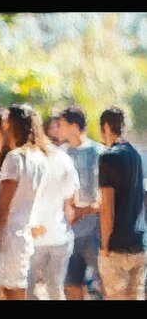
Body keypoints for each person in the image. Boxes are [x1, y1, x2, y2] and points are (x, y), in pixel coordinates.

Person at [0, 104, 49, 300]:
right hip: (24, 234)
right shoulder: (40, 157)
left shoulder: (15, 158)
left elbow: (3, 205)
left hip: (10, 235)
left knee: (9, 293)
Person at [97, 107, 145, 300]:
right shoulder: (136, 156)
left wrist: (105, 244)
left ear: (106, 127)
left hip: (117, 246)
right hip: (138, 243)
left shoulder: (108, 157)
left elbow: (107, 205)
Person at [58, 106, 106, 300]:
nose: (58, 130)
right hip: (68, 234)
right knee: (70, 284)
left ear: (74, 127)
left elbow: (106, 196)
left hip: (95, 232)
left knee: (104, 284)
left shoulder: (99, 152)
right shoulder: (60, 154)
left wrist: (83, 211)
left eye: (62, 125)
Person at [26, 143, 79, 300]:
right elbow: (72, 201)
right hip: (60, 235)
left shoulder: (28, 158)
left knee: (25, 289)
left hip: (34, 237)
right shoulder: (65, 159)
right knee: (55, 287)